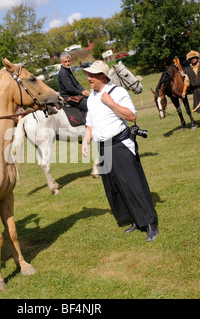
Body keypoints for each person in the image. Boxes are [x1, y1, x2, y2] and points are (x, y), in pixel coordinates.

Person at [81, 61, 158, 242]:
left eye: (92, 75)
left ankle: (150, 223)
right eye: (89, 75)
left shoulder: (118, 92)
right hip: (103, 148)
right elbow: (90, 123)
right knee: (115, 187)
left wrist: (111, 103)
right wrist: (86, 139)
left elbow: (131, 116)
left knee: (133, 185)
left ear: (102, 76)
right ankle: (135, 220)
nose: (89, 78)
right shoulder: (91, 97)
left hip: (120, 145)